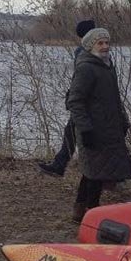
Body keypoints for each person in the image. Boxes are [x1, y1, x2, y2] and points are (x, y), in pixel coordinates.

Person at [65, 26, 131, 222]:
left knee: (93, 173)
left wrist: (123, 121)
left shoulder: (107, 65)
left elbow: (114, 98)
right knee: (94, 175)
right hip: (92, 130)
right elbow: (75, 101)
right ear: (91, 46)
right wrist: (86, 129)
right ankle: (91, 216)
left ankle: (80, 212)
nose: (105, 46)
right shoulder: (86, 68)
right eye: (100, 43)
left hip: (109, 130)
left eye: (107, 42)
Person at [38, 18, 95, 177]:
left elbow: (80, 79)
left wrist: (74, 98)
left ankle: (60, 165)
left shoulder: (83, 51)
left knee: (75, 133)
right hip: (87, 102)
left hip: (85, 103)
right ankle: (59, 165)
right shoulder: (96, 51)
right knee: (71, 132)